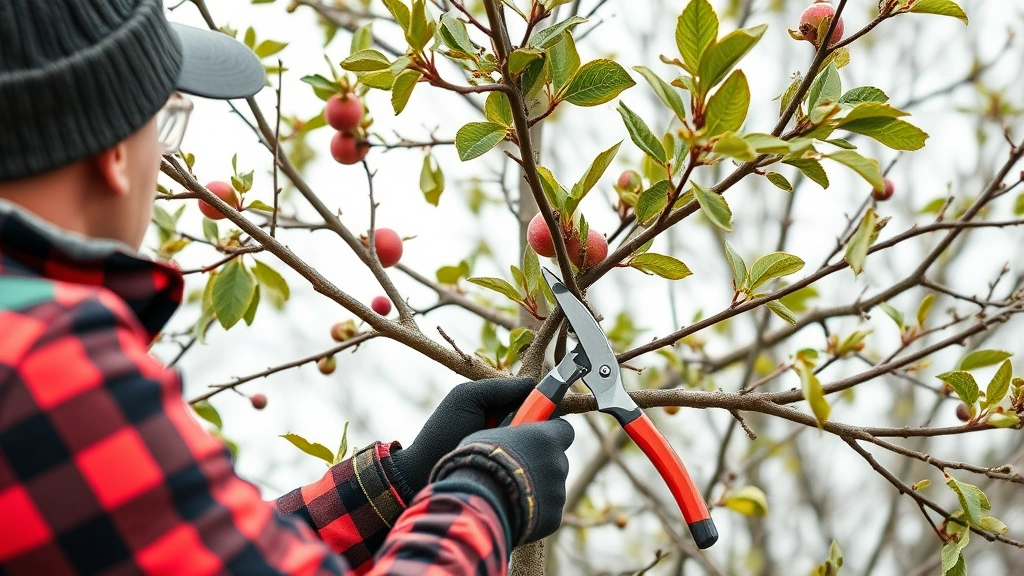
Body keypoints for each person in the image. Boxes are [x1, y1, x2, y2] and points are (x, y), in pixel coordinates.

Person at [0, 0, 574, 574]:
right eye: (165, 122)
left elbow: (193, 551)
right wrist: (485, 496)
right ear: (115, 152)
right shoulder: (50, 363)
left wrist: (401, 484)